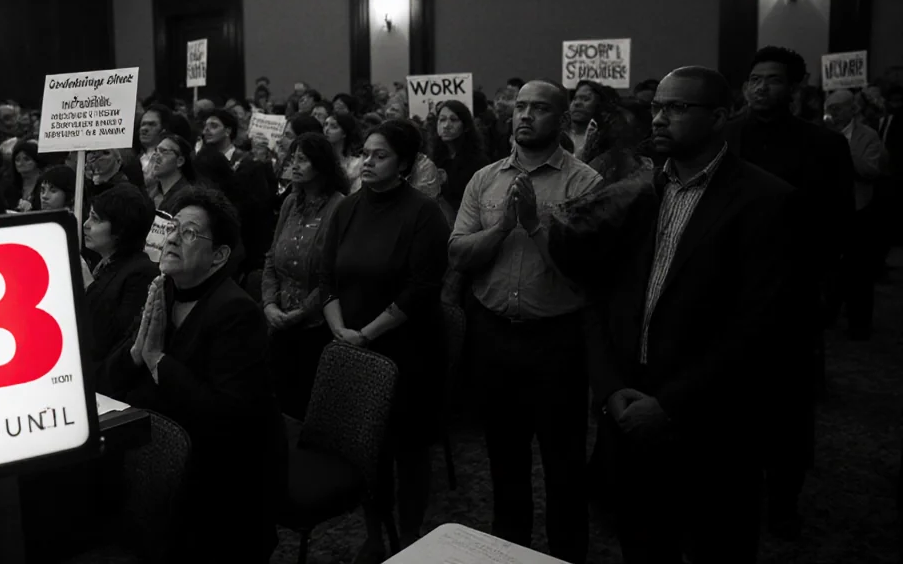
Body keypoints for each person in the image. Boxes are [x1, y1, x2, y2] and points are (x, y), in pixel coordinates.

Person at [584, 67, 793, 564]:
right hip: (629, 407)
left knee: (716, 547)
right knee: (642, 547)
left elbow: (758, 326)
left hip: (711, 422)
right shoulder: (636, 192)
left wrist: (671, 404)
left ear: (719, 117)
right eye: (656, 107)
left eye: (677, 108)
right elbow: (599, 297)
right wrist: (610, 388)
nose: (659, 118)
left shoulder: (766, 199)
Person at [448, 81, 600, 563]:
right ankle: (509, 552)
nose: (526, 115)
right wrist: (501, 228)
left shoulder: (584, 183)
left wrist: (534, 225)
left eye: (540, 108)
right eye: (521, 107)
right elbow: (458, 253)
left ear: (562, 119)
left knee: (563, 466)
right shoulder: (484, 179)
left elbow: (583, 273)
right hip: (494, 338)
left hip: (557, 342)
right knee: (504, 462)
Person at [100, 187, 285, 564]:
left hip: (224, 481)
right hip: (165, 451)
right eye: (172, 228)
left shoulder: (237, 313)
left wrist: (158, 360)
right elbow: (112, 375)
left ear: (219, 256)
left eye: (188, 233)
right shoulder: (164, 288)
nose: (171, 239)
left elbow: (224, 416)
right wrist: (137, 354)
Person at [728, 45, 853, 537]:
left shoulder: (824, 145)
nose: (761, 88)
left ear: (795, 88)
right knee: (728, 403)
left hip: (791, 293)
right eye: (755, 79)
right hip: (726, 292)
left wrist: (825, 296)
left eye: (773, 80)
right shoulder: (724, 136)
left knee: (787, 407)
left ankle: (784, 499)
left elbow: (837, 226)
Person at [320, 121, 451, 559]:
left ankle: (411, 536)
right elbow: (326, 276)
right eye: (365, 154)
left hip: (407, 349)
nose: (368, 162)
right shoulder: (347, 208)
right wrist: (340, 330)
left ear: (405, 163)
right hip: (353, 344)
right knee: (368, 449)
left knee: (409, 450)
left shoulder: (424, 213)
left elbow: (421, 289)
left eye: (380, 156)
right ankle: (375, 533)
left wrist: (366, 333)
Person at [261, 132, 347, 419]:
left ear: (321, 165)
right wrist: (269, 304)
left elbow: (334, 273)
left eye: (303, 160)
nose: (294, 165)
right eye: (293, 158)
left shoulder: (339, 206)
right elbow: (271, 258)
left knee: (303, 407)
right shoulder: (290, 203)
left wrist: (302, 312)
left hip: (317, 324)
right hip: (279, 319)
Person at [824, 88, 888, 340]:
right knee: (830, 267)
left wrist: (843, 148)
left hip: (859, 210)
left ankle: (859, 322)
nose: (833, 113)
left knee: (859, 270)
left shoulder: (868, 136)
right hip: (830, 210)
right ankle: (829, 312)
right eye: (830, 108)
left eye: (838, 108)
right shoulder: (821, 134)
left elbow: (871, 170)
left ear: (853, 109)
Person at [81, 185, 159, 378]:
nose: (86, 225)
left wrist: (88, 285)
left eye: (96, 219)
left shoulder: (141, 273)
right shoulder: (104, 263)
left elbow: (111, 338)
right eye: (89, 216)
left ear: (120, 230)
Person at [427, 100, 490, 222]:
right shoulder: (434, 157)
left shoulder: (478, 161)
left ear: (465, 126)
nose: (446, 125)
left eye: (453, 120)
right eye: (442, 120)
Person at [146, 134, 196, 212]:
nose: (156, 157)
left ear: (180, 161)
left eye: (164, 151)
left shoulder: (187, 197)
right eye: (156, 151)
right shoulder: (153, 193)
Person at [324, 113, 364, 192]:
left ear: (344, 133)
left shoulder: (356, 165)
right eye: (325, 125)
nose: (327, 130)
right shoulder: (321, 157)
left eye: (334, 127)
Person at [5, 139, 46, 212]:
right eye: (17, 160)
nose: (21, 163)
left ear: (36, 161)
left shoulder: (46, 183)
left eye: (26, 159)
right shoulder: (9, 186)